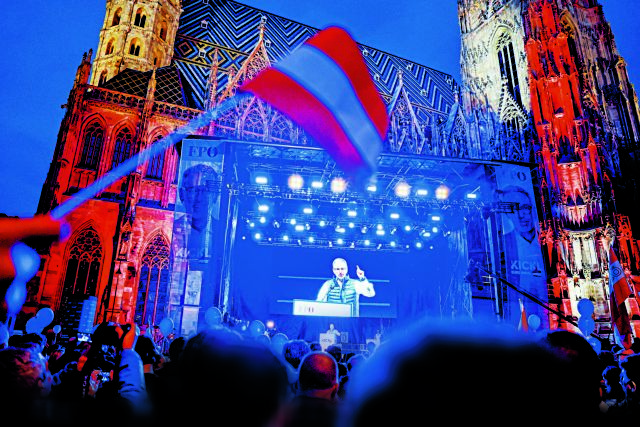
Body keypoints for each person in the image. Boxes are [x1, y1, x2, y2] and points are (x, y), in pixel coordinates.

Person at [173, 163, 220, 261]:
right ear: (182, 195)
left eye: (206, 191)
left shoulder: (223, 233)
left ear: (215, 196)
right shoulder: (169, 230)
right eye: (193, 190)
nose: (199, 198)